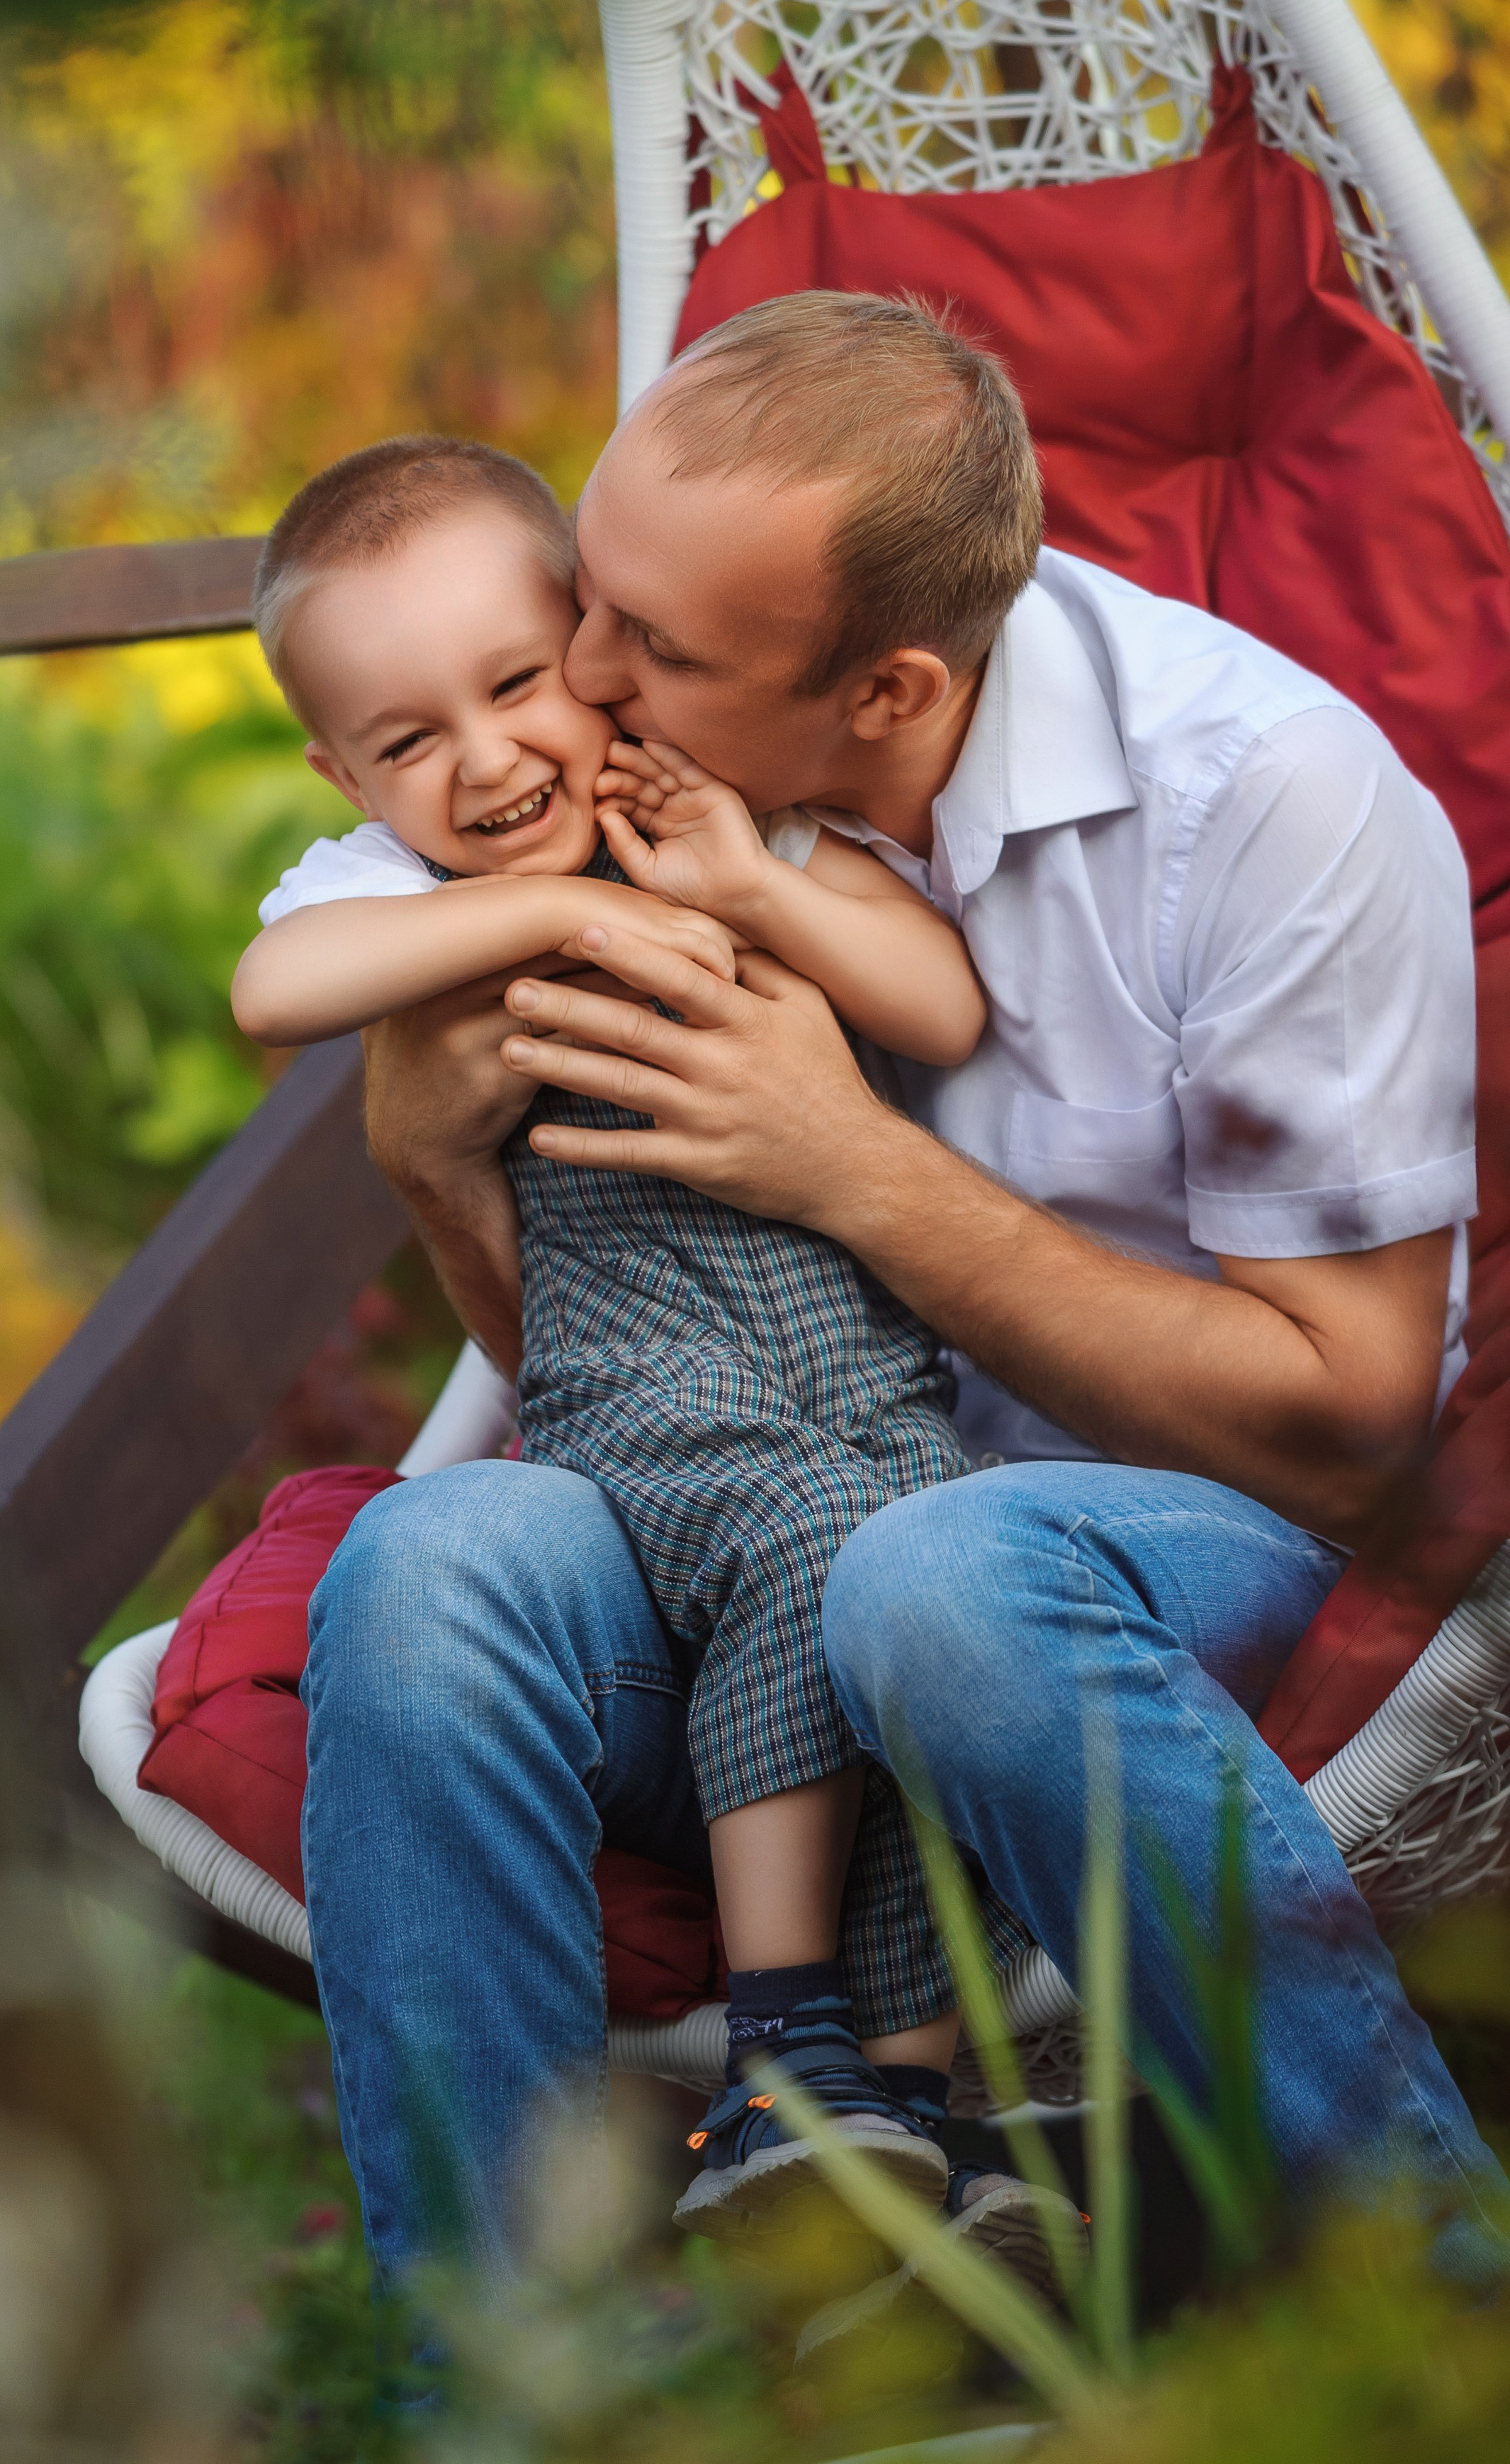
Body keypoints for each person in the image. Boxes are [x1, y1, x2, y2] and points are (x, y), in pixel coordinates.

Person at [300, 291, 1506, 2287]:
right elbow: (610, 1366)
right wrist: (432, 1166)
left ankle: (1441, 2308)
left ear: (888, 693)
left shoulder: (1271, 804)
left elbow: (1361, 1431)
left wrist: (852, 1167)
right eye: (589, 603)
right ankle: (507, 2400)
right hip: (748, 1527)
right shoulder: (615, 823)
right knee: (432, 1566)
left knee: (933, 1575)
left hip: (1134, 1550)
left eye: (653, 649)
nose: (582, 680)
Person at [235, 431, 1074, 2278]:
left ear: (593, 644)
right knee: (806, 1560)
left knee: (932, 1602)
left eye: (518, 683)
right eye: (405, 739)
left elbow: (936, 994)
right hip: (640, 1402)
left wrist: (751, 894)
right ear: (344, 773)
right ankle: (788, 2060)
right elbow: (269, 992)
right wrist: (562, 912)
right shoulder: (385, 890)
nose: (483, 759)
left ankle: (905, 2129)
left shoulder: (724, 818)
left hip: (862, 1385)